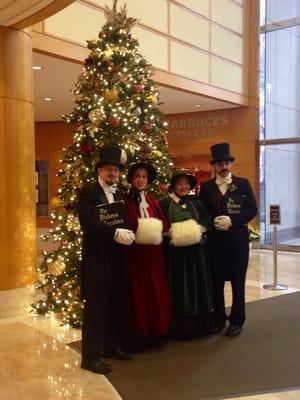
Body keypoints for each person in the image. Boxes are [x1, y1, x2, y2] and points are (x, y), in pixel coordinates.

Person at [78, 145, 135, 374]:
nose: (113, 174)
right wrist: (113, 233)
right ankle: (90, 358)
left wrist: (127, 232)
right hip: (97, 260)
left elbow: (123, 220)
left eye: (116, 170)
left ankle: (111, 347)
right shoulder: (88, 193)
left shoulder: (120, 194)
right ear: (99, 170)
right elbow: (88, 224)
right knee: (95, 309)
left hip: (117, 260)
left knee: (114, 305)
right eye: (109, 169)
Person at [198, 143, 257, 337]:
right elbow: (202, 212)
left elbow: (252, 210)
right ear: (214, 166)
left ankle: (237, 320)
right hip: (215, 243)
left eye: (226, 163)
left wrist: (232, 220)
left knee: (238, 282)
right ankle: (218, 318)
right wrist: (210, 223)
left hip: (237, 242)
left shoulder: (243, 184)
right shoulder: (206, 188)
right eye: (220, 164)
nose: (224, 167)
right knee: (216, 282)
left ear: (230, 164)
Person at [159, 171, 213, 339]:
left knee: (197, 287)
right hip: (176, 257)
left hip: (196, 254)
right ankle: (180, 329)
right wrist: (171, 234)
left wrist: (198, 230)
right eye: (180, 184)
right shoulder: (164, 204)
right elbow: (159, 225)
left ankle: (199, 326)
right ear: (173, 186)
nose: (183, 187)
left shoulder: (195, 203)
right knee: (179, 289)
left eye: (186, 184)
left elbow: (206, 220)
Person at [124, 162, 171, 351]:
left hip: (154, 254)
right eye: (137, 176)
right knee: (138, 292)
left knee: (155, 290)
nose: (140, 179)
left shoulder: (153, 200)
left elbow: (164, 224)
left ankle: (156, 331)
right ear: (131, 179)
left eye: (143, 176)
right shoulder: (126, 201)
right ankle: (139, 334)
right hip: (136, 255)